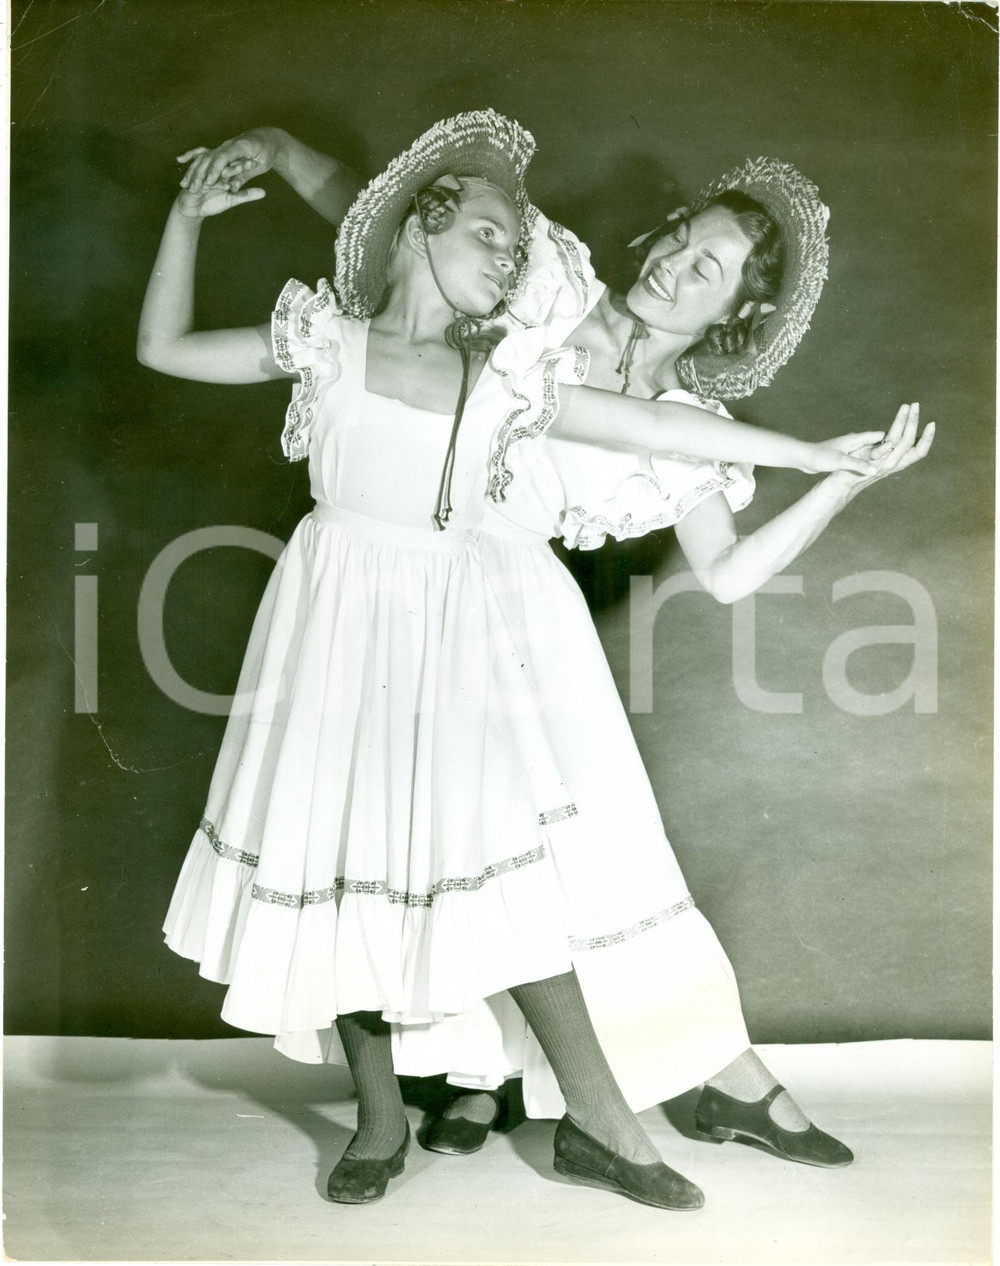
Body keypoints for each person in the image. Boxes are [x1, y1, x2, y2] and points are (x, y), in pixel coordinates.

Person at [143, 110, 911, 1210]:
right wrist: (268, 146)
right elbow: (388, 207)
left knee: (560, 858)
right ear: (653, 238)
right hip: (405, 578)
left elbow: (724, 556)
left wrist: (830, 477)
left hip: (516, 618)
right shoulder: (533, 286)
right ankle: (470, 1079)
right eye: (682, 241)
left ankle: (673, 1079)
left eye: (712, 273)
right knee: (403, 834)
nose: (678, 270)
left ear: (734, 311)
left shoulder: (674, 410)